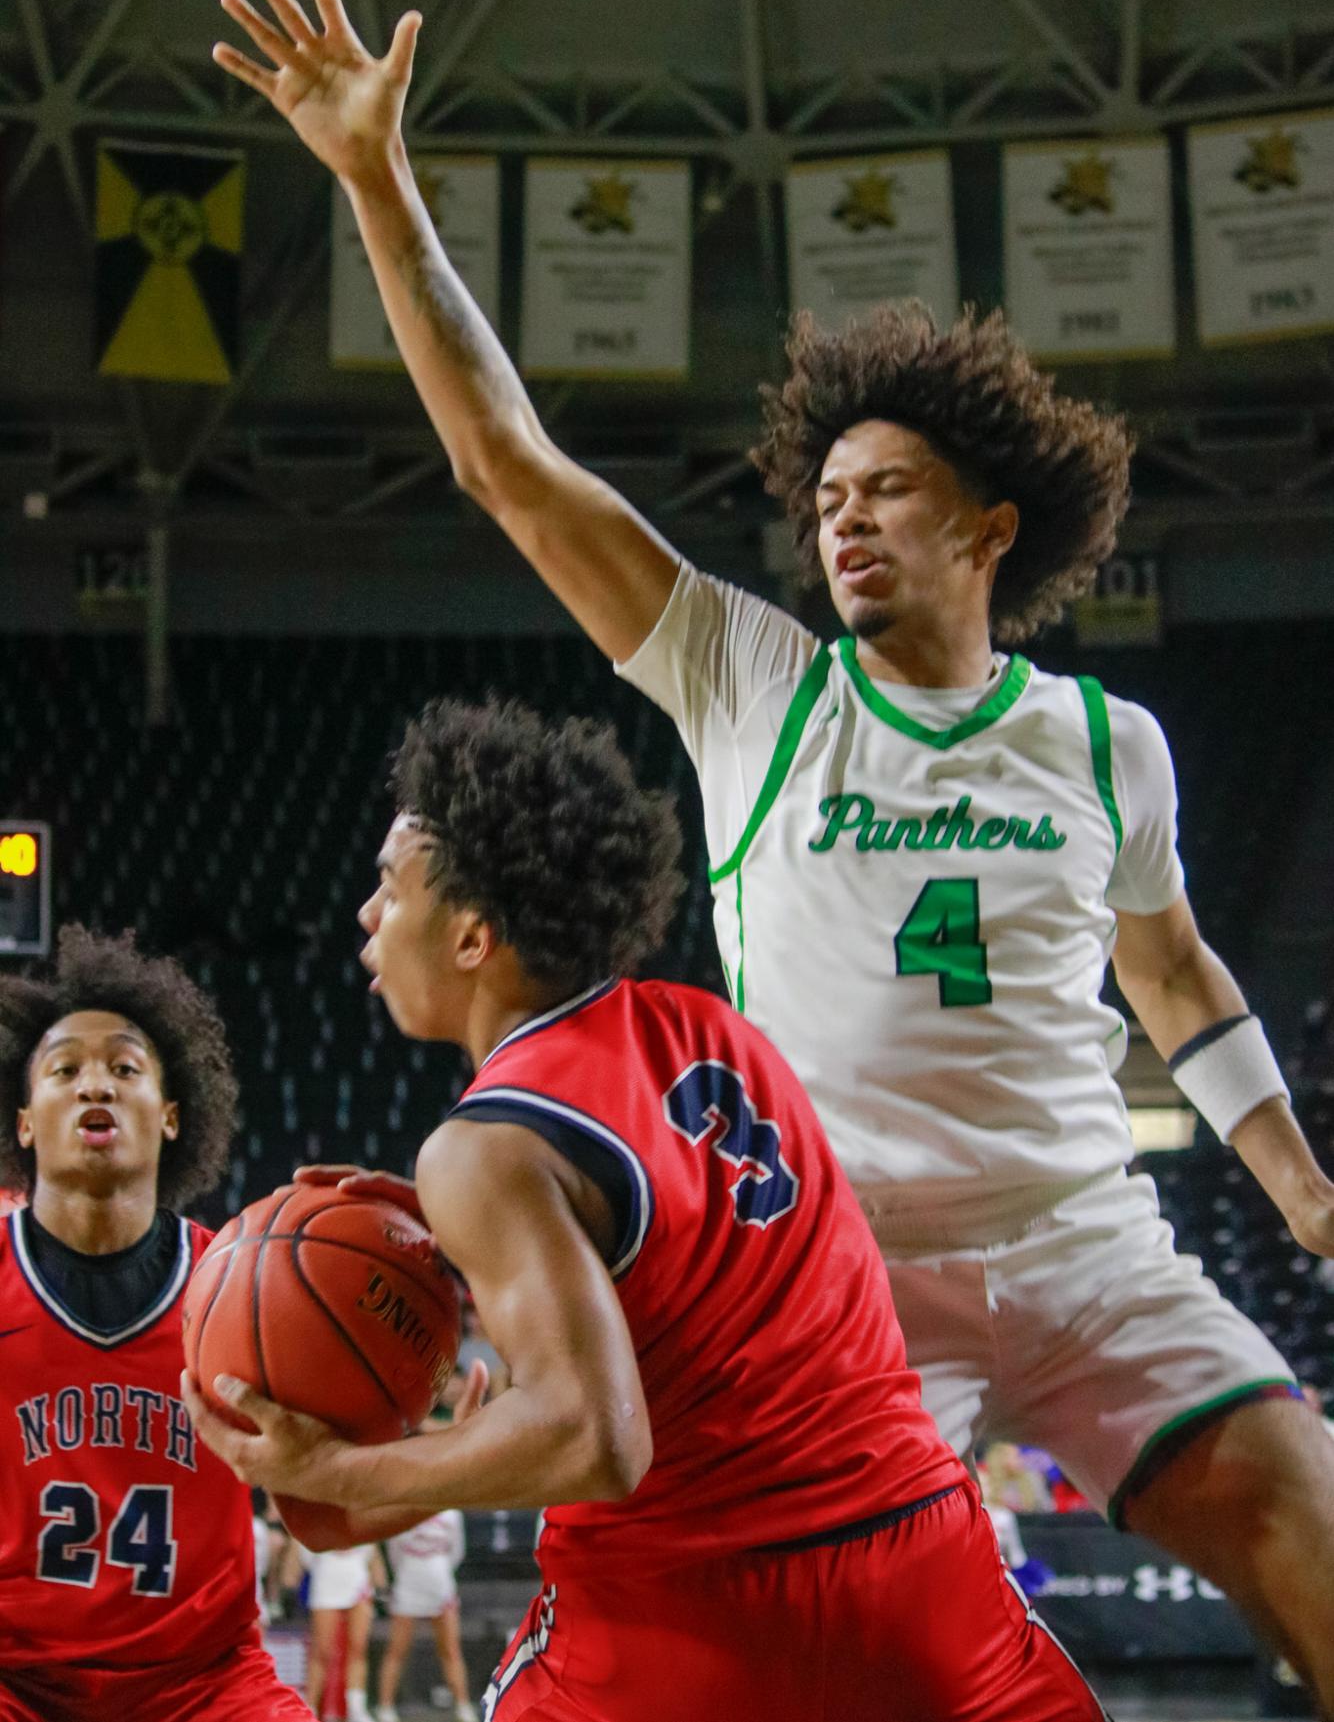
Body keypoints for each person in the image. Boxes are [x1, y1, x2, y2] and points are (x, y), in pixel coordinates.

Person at [212, 0, 1334, 1708]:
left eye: (884, 489)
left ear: (988, 524)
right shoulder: (759, 686)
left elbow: (1172, 969)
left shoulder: (1110, 742)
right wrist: (375, 182)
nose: (841, 521)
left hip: (1078, 1233)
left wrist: (1298, 1188)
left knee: (1310, 1536)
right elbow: (510, 466)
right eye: (822, 499)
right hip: (845, 1274)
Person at [185, 696, 1106, 1721]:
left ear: (474, 936)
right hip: (919, 1561)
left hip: (691, 1610)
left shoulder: (484, 1147)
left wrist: (340, 1470)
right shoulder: (721, 1032)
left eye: (389, 889)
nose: (365, 915)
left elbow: (594, 1437)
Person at [0, 925, 313, 1722]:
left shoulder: (242, 1288)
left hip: (205, 1686)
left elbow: (328, 1501)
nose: (94, 1085)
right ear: (25, 1121)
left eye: (124, 1068)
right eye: (64, 1069)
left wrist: (436, 1464)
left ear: (172, 1115)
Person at [376, 1510, 477, 1722]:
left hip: (440, 1583)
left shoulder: (452, 1514)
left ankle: (462, 1705)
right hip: (408, 1580)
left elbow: (457, 1550)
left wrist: (439, 1570)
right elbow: (394, 1551)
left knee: (450, 1649)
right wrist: (408, 1573)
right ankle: (385, 1707)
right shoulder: (401, 1510)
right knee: (396, 1649)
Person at [305, 1541, 382, 1722]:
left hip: (357, 1577)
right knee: (321, 1651)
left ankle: (356, 1708)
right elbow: (306, 1551)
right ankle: (310, 1707)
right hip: (326, 1575)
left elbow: (371, 1545)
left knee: (358, 1647)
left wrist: (377, 1579)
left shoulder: (362, 1515)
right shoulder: (317, 1515)